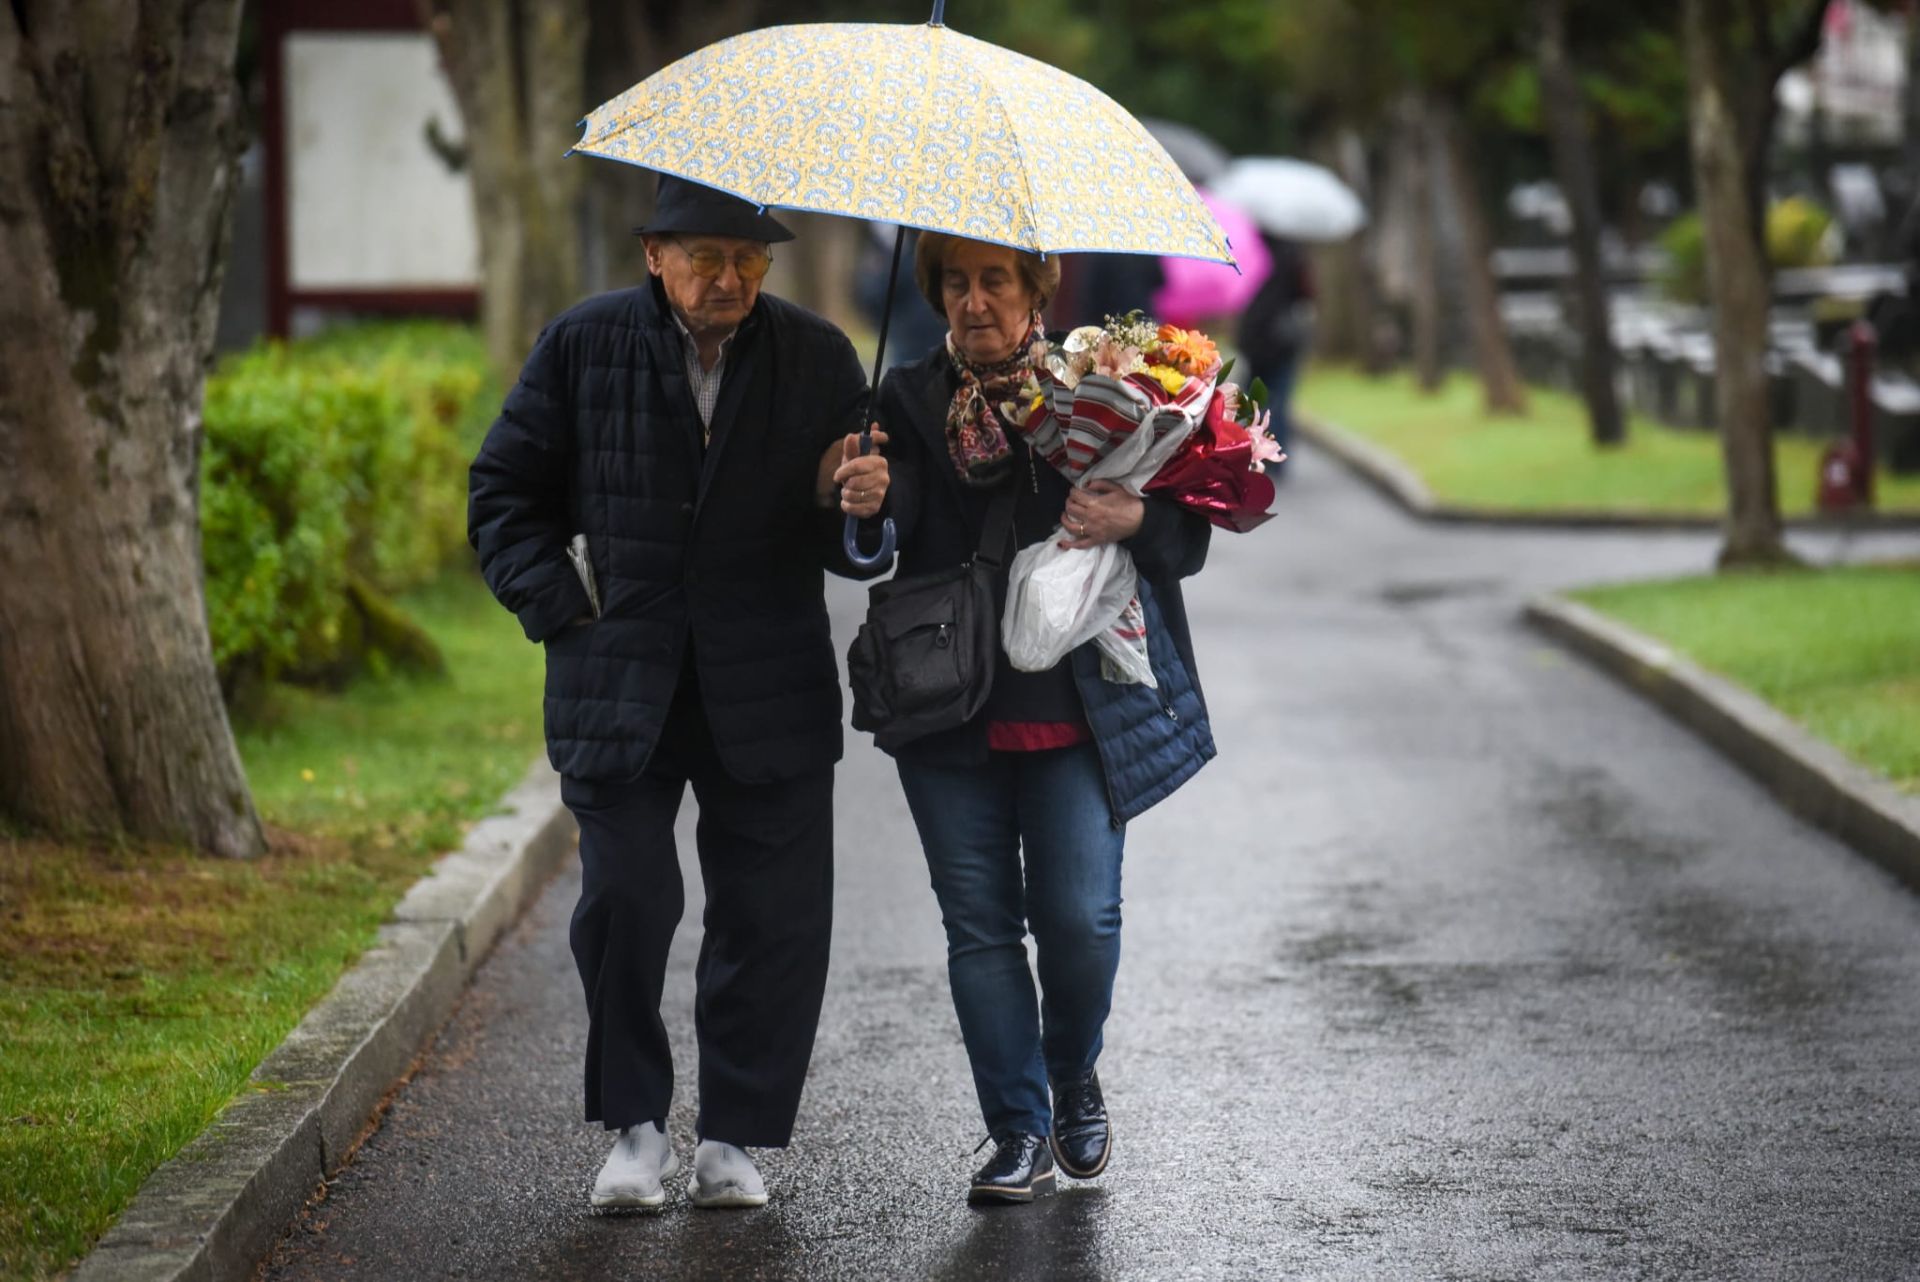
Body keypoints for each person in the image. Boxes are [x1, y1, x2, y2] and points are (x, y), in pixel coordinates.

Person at [467, 175, 890, 1212]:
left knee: (771, 915)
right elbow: (502, 495)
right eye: (707, 257)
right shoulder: (582, 344)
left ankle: (736, 1134)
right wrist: (561, 605)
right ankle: (636, 1128)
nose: (730, 278)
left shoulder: (821, 356)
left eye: (750, 260)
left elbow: (855, 553)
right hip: (620, 678)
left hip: (768, 682)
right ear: (655, 253)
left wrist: (863, 506)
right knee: (626, 898)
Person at [870, 232, 1215, 1205]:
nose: (973, 302)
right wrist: (857, 502)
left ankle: (1073, 1074)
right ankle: (1016, 1129)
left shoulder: (1103, 387)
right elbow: (874, 529)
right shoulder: (902, 397)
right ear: (933, 291)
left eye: (994, 282)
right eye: (955, 283)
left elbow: (1189, 535)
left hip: (1080, 699)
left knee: (1078, 919)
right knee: (979, 927)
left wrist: (1137, 521)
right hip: (949, 701)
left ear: (1036, 293)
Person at [1235, 232, 1315, 476]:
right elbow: (1306, 294)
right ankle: (1274, 456)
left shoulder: (1250, 246)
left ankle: (1251, 453)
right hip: (1282, 338)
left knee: (1254, 400)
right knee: (1278, 399)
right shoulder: (1293, 253)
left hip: (1256, 336)